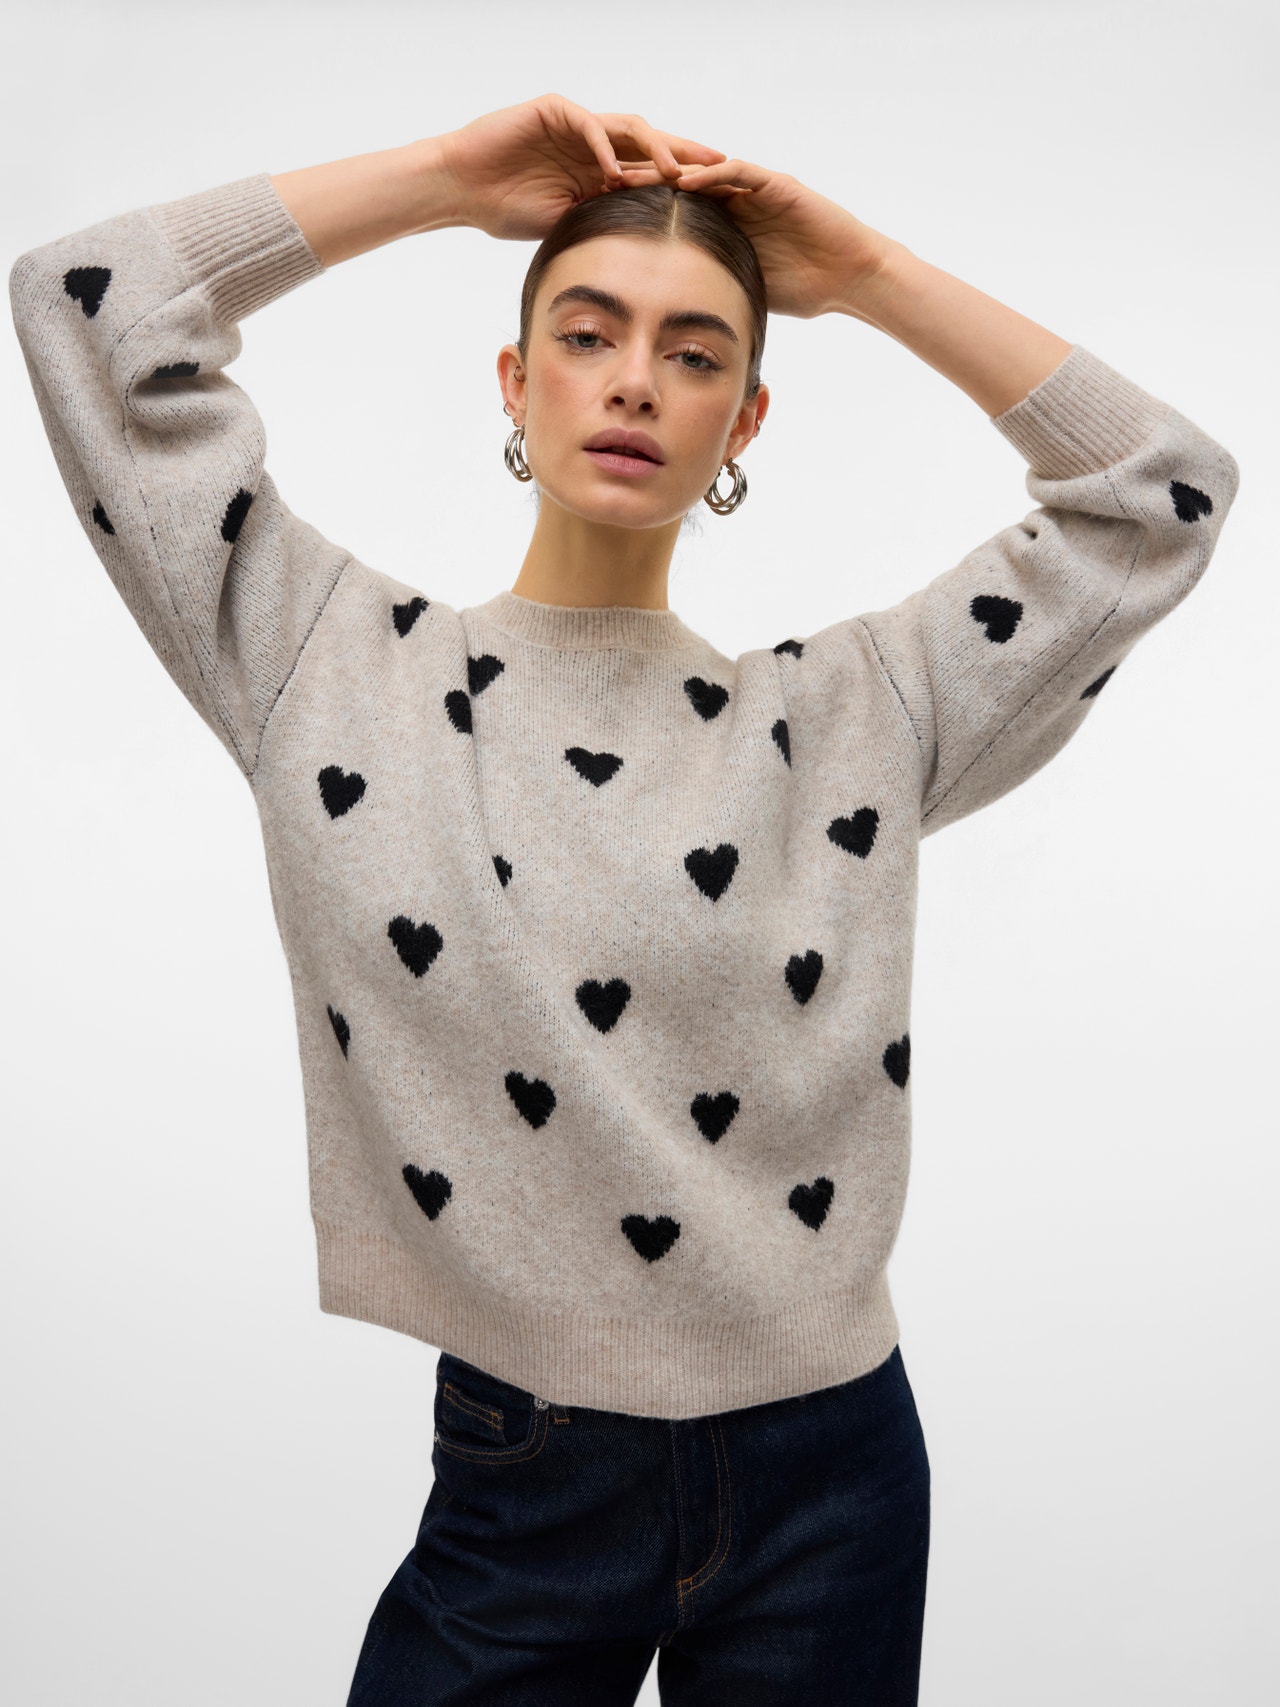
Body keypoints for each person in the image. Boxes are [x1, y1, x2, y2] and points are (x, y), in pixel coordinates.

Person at [9, 92, 1239, 1706]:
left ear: (746, 422)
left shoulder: (856, 719)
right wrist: (446, 182)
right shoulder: (327, 668)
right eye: (587, 335)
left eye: (696, 352)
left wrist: (864, 270)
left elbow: (1163, 486)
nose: (637, 380)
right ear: (514, 383)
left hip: (835, 1475)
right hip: (525, 1478)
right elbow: (83, 304)